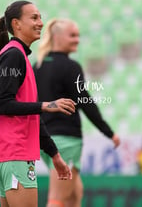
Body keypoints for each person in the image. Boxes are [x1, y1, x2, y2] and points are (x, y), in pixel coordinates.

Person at [0, 0, 76, 207]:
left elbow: (30, 116)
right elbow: (4, 104)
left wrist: (54, 155)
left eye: (40, 17)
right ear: (17, 24)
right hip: (14, 153)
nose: (41, 23)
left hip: (8, 155)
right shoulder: (14, 55)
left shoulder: (16, 55)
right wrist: (45, 105)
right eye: (34, 17)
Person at [33, 18, 120, 207]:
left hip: (45, 139)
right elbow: (85, 103)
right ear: (56, 37)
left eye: (78, 35)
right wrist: (109, 132)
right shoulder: (71, 67)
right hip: (66, 141)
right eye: (72, 35)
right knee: (58, 199)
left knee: (74, 195)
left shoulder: (37, 66)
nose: (77, 40)